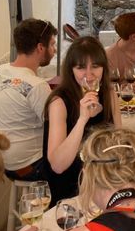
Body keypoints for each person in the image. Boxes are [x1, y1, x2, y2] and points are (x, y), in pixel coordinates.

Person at [44, 36, 119, 205]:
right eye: (81, 68)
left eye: (95, 66)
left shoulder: (109, 95)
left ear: (104, 68)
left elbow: (118, 146)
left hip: (105, 186)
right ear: (71, 70)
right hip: (71, 193)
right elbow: (58, 165)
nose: (89, 75)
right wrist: (83, 119)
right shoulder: (59, 102)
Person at [0, 18, 57, 181]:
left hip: (0, 161)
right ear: (40, 47)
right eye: (52, 44)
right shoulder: (37, 86)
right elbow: (57, 127)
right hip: (29, 167)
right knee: (82, 158)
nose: (54, 50)